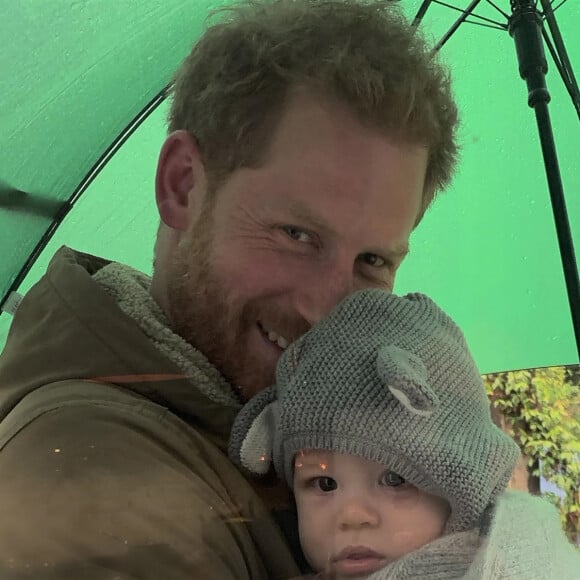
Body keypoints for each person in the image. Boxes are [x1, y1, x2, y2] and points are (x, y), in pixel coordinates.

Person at [0, 1, 459, 578]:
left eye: (372, 260)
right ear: (183, 186)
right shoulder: (101, 489)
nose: (327, 312)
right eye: (297, 233)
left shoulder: (290, 443)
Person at [229, 288, 580, 579]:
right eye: (324, 484)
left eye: (395, 478)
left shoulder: (516, 560)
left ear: (464, 484)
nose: (352, 516)